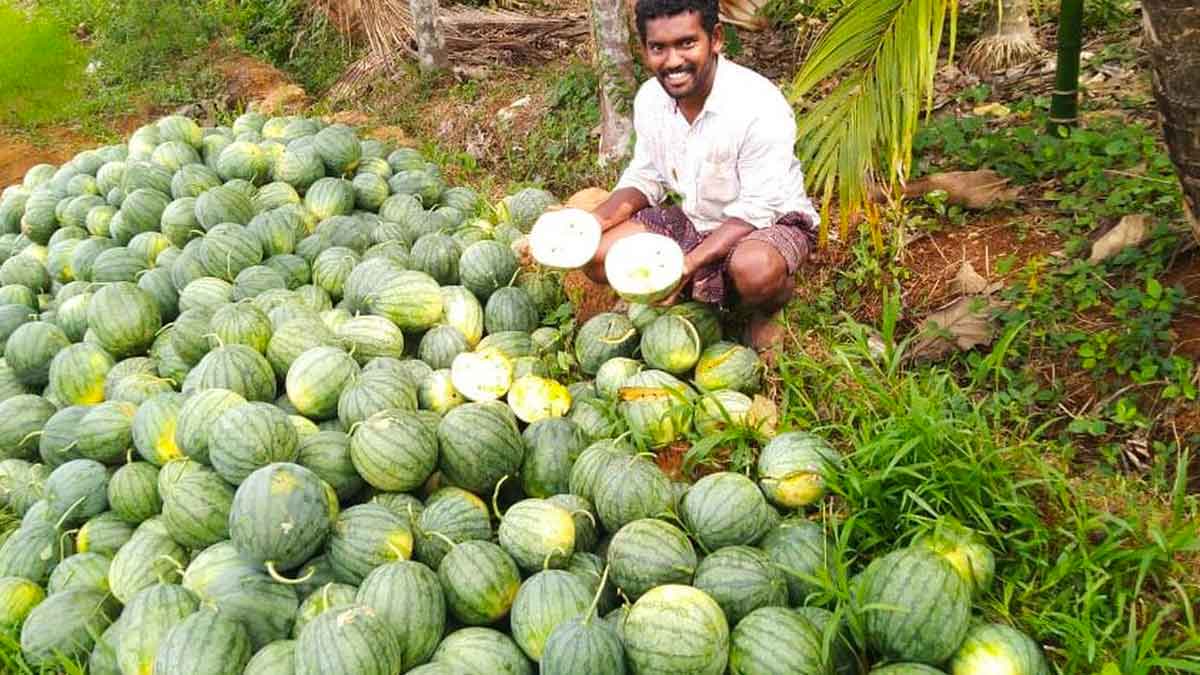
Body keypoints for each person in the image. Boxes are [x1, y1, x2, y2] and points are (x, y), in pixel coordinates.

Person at [583, 0, 820, 356]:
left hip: (765, 223)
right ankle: (696, 294)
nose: (673, 61)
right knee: (599, 257)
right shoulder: (650, 100)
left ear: (716, 39)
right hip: (696, 221)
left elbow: (756, 209)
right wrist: (584, 227)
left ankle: (771, 303)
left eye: (687, 43)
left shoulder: (758, 105)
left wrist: (688, 264)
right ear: (644, 50)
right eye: (658, 48)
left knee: (754, 270)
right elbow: (645, 178)